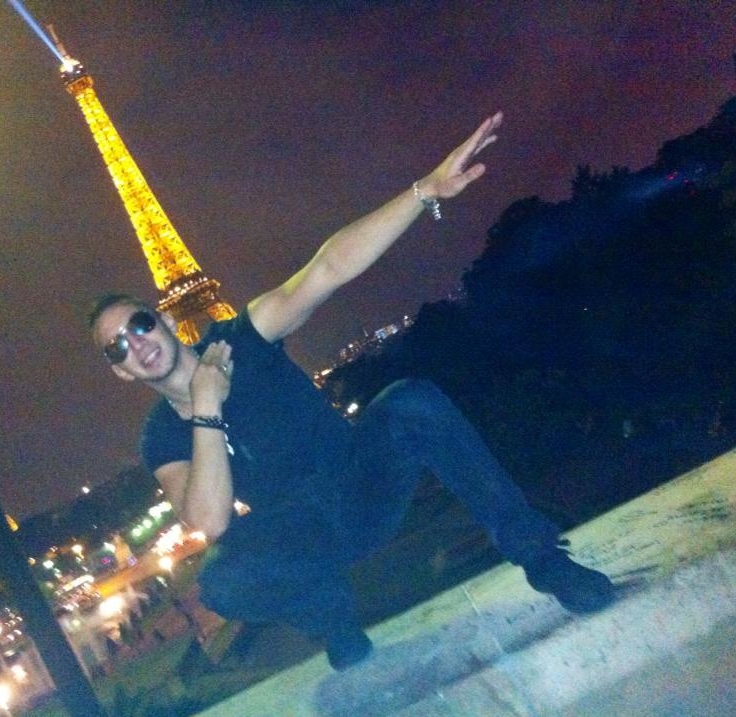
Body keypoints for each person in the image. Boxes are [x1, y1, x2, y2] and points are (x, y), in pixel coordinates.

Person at [88, 113, 615, 671]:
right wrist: (207, 404)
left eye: (139, 324)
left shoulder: (243, 338)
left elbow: (328, 268)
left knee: (411, 400)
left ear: (167, 320)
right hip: (300, 536)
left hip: (362, 481)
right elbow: (211, 520)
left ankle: (543, 559)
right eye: (116, 348)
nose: (134, 343)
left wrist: (424, 191)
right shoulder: (160, 436)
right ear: (121, 372)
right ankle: (333, 619)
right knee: (223, 582)